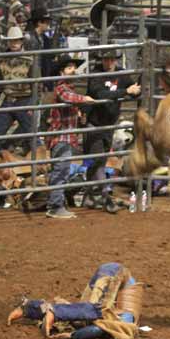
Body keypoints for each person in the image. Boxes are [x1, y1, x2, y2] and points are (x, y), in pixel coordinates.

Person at [7, 262, 144, 339]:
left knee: (91, 312)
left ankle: (31, 308)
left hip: (110, 278)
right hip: (115, 274)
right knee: (98, 310)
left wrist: (71, 335)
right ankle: (48, 311)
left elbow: (95, 329)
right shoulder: (120, 321)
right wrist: (72, 336)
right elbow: (95, 330)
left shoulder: (104, 321)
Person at [83, 49, 141, 213]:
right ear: (101, 60)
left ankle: (89, 196)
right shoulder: (95, 75)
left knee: (98, 161)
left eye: (111, 60)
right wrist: (126, 91)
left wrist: (135, 90)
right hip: (94, 123)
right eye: (106, 60)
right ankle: (106, 197)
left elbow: (133, 89)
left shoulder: (121, 74)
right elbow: (100, 94)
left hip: (109, 124)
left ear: (116, 60)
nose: (108, 62)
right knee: (98, 159)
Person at [45, 55, 95, 219]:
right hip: (61, 137)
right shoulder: (62, 88)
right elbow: (68, 97)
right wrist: (84, 99)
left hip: (64, 137)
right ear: (61, 72)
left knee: (62, 170)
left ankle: (56, 203)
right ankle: (55, 206)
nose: (73, 70)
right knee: (60, 171)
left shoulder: (68, 88)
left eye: (74, 67)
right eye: (69, 68)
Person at [0, 27, 35, 165]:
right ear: (8, 43)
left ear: (21, 42)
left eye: (16, 41)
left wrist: (33, 103)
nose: (14, 43)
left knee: (30, 131)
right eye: (11, 41)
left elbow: (36, 84)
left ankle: (37, 160)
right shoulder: (2, 60)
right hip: (9, 100)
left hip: (24, 99)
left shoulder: (30, 59)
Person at [24, 7, 54, 90]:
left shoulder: (44, 38)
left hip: (40, 74)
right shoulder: (28, 38)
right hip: (31, 75)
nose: (48, 25)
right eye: (47, 23)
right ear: (39, 23)